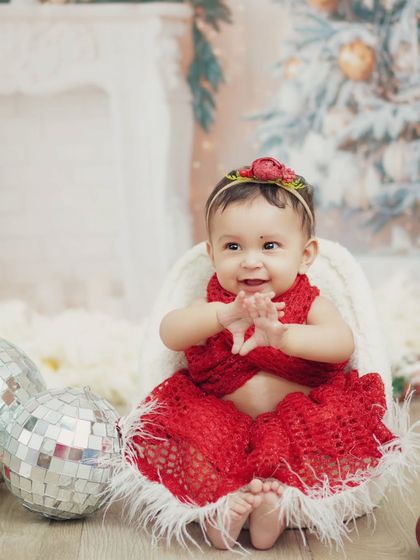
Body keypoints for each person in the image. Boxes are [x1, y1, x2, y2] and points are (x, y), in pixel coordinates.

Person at [108, 157, 419, 554]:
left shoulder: (309, 301)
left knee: (331, 437)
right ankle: (220, 511)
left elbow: (342, 343)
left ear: (305, 255)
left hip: (296, 416)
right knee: (189, 441)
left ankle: (274, 505)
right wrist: (222, 316)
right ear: (212, 253)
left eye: (270, 246)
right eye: (233, 246)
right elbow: (170, 332)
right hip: (222, 417)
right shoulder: (214, 301)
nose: (251, 259)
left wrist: (284, 336)